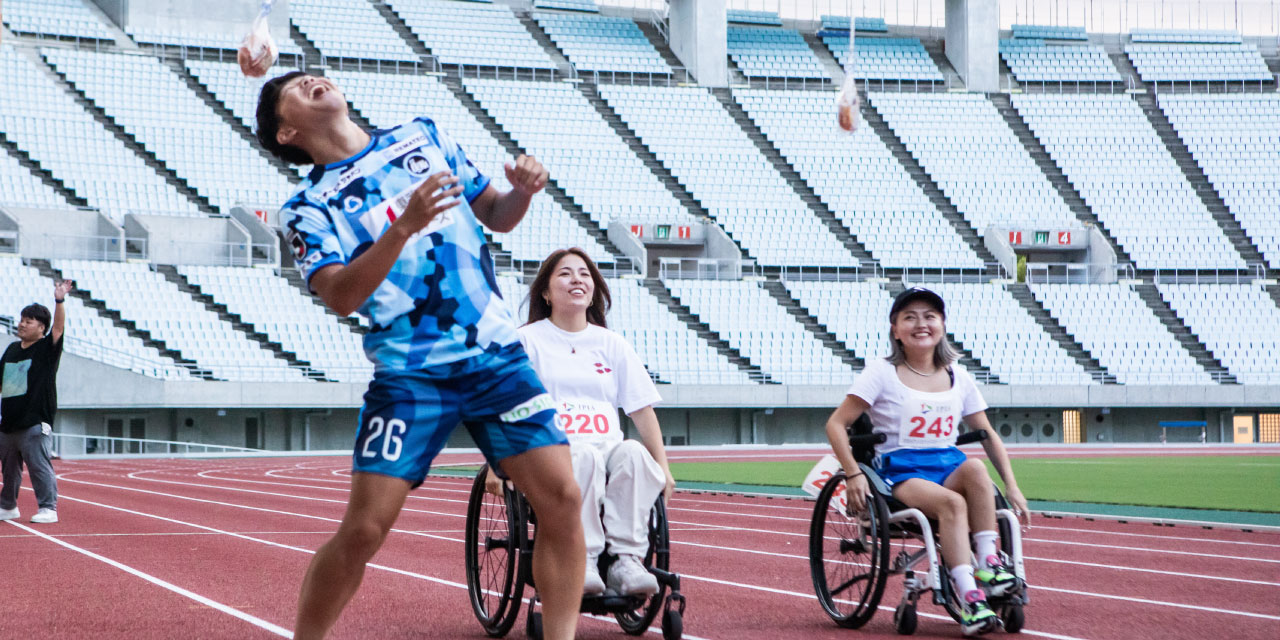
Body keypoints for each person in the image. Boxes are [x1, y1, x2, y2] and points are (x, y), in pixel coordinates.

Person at [256, 72, 584, 640]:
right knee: (363, 530)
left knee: (562, 499)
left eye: (313, 74)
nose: (311, 79)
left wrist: (525, 190)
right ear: (286, 132)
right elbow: (340, 295)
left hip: (495, 358)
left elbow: (497, 214)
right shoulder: (306, 209)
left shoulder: (423, 136)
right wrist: (402, 227)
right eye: (292, 87)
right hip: (411, 377)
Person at [824, 287, 1030, 637]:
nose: (921, 324)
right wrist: (854, 474)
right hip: (903, 471)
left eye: (929, 316)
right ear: (896, 330)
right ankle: (970, 599)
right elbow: (835, 424)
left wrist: (1012, 486)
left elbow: (987, 434)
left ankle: (990, 565)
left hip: (947, 464)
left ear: (942, 325)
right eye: (910, 317)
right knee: (951, 504)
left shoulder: (958, 376)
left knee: (977, 469)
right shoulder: (882, 372)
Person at [497, 248, 675, 597]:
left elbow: (641, 409)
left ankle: (626, 559)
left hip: (606, 447)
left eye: (584, 274)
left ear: (593, 289)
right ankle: (582, 559)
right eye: (565, 273)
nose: (577, 279)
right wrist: (497, 463)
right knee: (584, 458)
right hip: (550, 453)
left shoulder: (612, 345)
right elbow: (503, 405)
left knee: (636, 455)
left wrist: (664, 468)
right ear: (546, 292)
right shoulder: (525, 341)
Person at [1, 280, 73, 525]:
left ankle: (48, 507)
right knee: (8, 471)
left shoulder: (46, 349)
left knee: (39, 466)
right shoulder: (11, 349)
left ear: (41, 327)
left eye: (28, 321)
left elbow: (59, 329)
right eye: (21, 319)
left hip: (34, 422)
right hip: (9, 422)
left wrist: (59, 300)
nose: (22, 324)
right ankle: (8, 506)